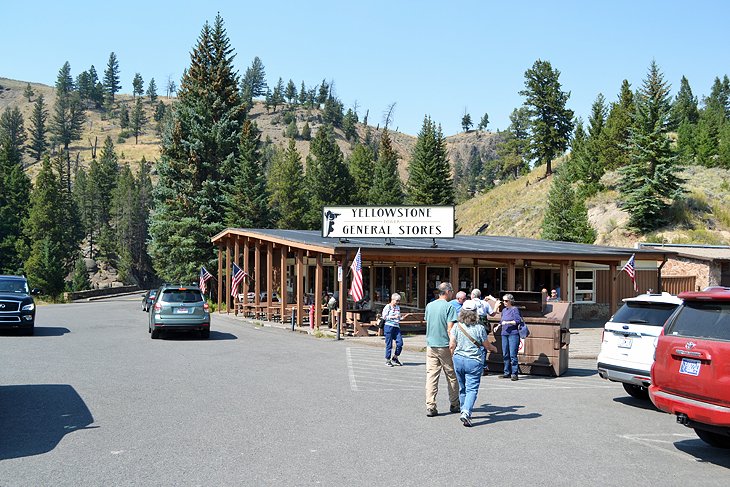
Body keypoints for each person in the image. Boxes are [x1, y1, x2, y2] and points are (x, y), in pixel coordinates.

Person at [449, 300, 498, 427]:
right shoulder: (480, 328)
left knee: (462, 387)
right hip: (473, 360)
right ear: (475, 313)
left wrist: (452, 356)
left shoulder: (456, 326)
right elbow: (486, 345)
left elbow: (452, 345)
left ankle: (463, 408)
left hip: (458, 359)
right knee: (472, 389)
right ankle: (466, 412)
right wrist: (494, 348)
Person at [424, 282, 460, 417]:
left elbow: (428, 322)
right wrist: (453, 344)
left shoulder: (429, 305)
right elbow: (450, 328)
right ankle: (454, 403)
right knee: (451, 375)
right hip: (444, 344)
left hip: (431, 344)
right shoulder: (449, 307)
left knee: (432, 376)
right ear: (448, 292)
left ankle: (430, 405)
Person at [470, 288, 500, 375]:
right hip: (483, 325)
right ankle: (482, 367)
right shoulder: (485, 303)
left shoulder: (469, 303)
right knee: (483, 346)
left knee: (473, 345)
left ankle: (474, 366)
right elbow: (492, 314)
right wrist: (496, 307)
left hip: (471, 325)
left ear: (472, 295)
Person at [495, 293, 524, 381]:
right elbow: (501, 321)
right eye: (503, 300)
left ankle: (514, 373)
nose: (504, 302)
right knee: (505, 354)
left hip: (513, 334)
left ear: (511, 301)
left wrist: (507, 323)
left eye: (506, 301)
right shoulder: (504, 310)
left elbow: (517, 321)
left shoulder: (514, 309)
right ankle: (506, 372)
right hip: (504, 333)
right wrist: (498, 326)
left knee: (512, 354)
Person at [382, 293, 410, 366]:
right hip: (388, 326)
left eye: (399, 301)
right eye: (397, 300)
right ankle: (388, 360)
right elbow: (384, 317)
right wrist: (393, 317)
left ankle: (395, 357)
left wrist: (402, 317)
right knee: (389, 344)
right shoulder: (387, 307)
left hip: (396, 326)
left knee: (400, 343)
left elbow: (398, 318)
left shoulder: (398, 307)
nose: (398, 302)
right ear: (392, 299)